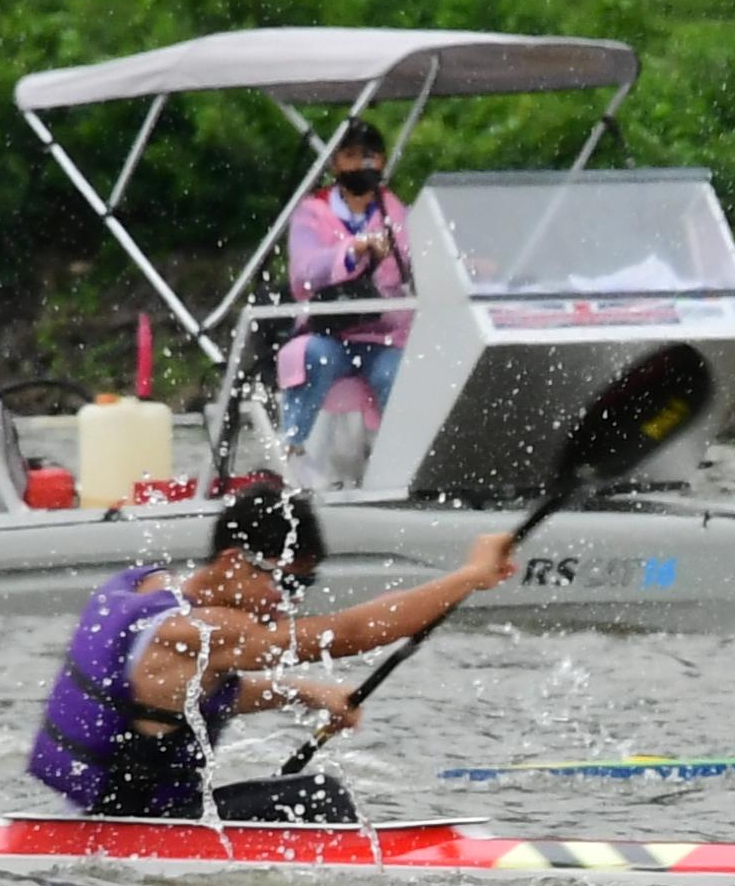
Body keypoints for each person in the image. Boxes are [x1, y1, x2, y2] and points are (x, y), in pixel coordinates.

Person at [30, 481, 515, 823]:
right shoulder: (206, 630)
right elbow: (353, 632)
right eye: (287, 581)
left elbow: (194, 696)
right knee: (321, 796)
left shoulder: (147, 589)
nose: (292, 600)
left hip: (110, 816)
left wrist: (308, 694)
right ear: (232, 562)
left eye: (305, 583)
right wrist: (469, 576)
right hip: (147, 826)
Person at [279, 120, 414, 456]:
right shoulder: (311, 213)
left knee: (397, 373)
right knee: (315, 358)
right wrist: (352, 252)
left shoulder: (397, 212)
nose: (360, 165)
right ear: (335, 162)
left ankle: (399, 457)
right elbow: (303, 274)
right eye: (350, 155)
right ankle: (294, 449)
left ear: (382, 161)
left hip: (383, 336)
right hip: (329, 332)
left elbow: (410, 267)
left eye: (368, 156)